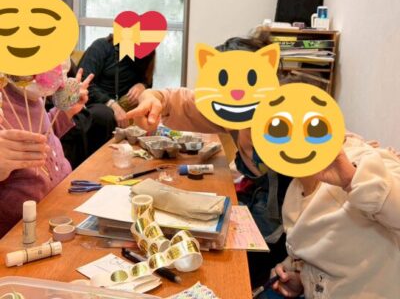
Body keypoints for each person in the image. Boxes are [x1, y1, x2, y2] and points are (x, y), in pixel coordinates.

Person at [125, 28, 293, 287]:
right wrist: (153, 97)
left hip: (288, 227)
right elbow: (179, 100)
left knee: (236, 275)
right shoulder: (227, 108)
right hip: (257, 208)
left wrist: (297, 263)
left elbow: (340, 149)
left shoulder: (286, 120)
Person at [270, 135, 400, 298]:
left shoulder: (367, 162)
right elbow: (323, 260)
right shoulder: (295, 189)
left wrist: (351, 180)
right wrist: (300, 281)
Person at [0, 69, 92, 237]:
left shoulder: (33, 97)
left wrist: (64, 112)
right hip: (23, 235)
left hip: (63, 206)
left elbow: (40, 137)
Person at [61, 34, 155, 168]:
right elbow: (83, 82)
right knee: (104, 114)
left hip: (124, 107)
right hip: (93, 103)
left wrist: (143, 85)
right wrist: (112, 104)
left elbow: (148, 82)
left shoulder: (146, 54)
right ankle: (94, 166)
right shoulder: (101, 47)